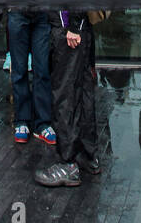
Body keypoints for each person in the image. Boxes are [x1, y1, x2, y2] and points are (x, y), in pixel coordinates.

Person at [35, 10, 98, 186]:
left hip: (68, 26)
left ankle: (67, 163)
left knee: (65, 93)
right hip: (78, 26)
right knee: (83, 90)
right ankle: (87, 154)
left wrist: (73, 26)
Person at [7, 8, 55, 145]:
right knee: (19, 69)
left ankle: (42, 122)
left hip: (42, 10)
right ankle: (23, 120)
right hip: (18, 9)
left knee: (42, 69)